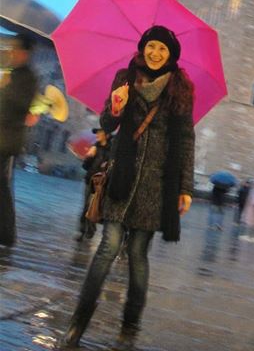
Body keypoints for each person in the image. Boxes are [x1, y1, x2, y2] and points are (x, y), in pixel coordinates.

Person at [62, 25, 195, 348]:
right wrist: (116, 106)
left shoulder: (180, 89)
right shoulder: (125, 77)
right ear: (143, 48)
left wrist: (185, 187)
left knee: (138, 255)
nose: (155, 53)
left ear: (171, 55)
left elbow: (187, 139)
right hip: (122, 175)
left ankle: (128, 329)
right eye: (151, 47)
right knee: (108, 247)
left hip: (156, 184)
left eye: (162, 49)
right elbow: (108, 124)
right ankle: (77, 324)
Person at [0, 35, 38, 247]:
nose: (12, 52)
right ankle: (5, 234)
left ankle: (6, 234)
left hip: (7, 140)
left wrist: (5, 86)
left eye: (16, 49)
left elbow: (22, 104)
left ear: (25, 53)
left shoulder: (28, 77)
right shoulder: (14, 74)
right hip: (3, 136)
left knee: (2, 187)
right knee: (2, 186)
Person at [76, 128, 112, 242]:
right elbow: (85, 167)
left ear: (107, 135)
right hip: (90, 180)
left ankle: (90, 230)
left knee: (94, 207)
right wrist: (89, 157)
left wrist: (107, 163)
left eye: (99, 133)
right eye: (96, 133)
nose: (97, 135)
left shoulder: (112, 150)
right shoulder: (94, 147)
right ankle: (82, 231)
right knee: (86, 206)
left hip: (102, 183)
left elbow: (112, 166)